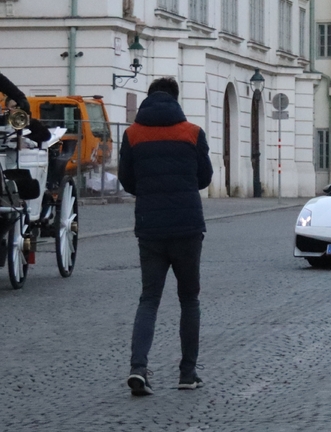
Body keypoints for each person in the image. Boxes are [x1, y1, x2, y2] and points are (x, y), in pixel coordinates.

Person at [118, 77, 213, 396]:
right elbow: (205, 178)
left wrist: (149, 192)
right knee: (189, 299)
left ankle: (138, 368)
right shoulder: (192, 133)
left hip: (150, 226)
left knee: (149, 299)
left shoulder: (132, 134)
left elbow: (126, 180)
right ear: (175, 99)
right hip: (187, 225)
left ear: (148, 99)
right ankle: (187, 372)